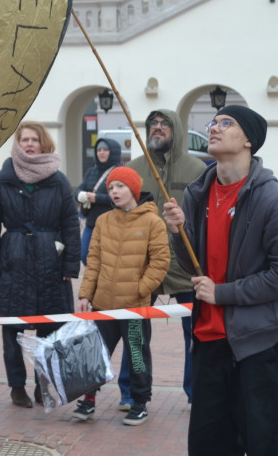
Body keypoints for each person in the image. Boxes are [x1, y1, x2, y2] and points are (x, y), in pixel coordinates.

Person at [162, 105, 278, 455]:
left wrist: (223, 293)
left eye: (227, 123)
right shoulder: (197, 194)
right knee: (208, 445)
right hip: (208, 342)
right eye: (213, 122)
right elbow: (192, 266)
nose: (214, 127)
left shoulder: (273, 199)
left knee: (261, 443)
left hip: (255, 344)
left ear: (249, 140)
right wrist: (178, 233)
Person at [0, 121, 81, 408]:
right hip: (14, 261)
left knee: (50, 330)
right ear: (17, 143)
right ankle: (16, 387)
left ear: (44, 143)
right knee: (12, 329)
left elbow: (71, 225)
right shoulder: (3, 178)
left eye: (34, 139)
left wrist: (70, 265)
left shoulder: (58, 179)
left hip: (51, 262)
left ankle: (42, 385)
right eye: (24, 139)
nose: (29, 144)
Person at [72, 166, 169, 427]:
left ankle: (139, 403)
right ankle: (89, 399)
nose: (114, 192)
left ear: (133, 190)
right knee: (96, 354)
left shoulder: (153, 222)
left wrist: (140, 289)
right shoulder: (103, 221)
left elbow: (160, 262)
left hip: (135, 308)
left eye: (120, 187)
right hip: (103, 304)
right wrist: (85, 294)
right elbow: (93, 262)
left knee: (137, 356)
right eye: (111, 187)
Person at [123, 108, 206, 409]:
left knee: (195, 334)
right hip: (144, 267)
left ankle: (196, 393)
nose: (157, 128)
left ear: (177, 131)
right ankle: (131, 391)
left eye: (164, 124)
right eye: (153, 124)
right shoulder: (133, 169)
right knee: (134, 331)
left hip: (185, 266)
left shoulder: (197, 169)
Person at [76, 137, 122, 265]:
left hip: (112, 225)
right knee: (85, 255)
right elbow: (79, 189)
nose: (101, 152)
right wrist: (80, 195)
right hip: (91, 224)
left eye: (105, 150)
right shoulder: (91, 171)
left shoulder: (120, 172)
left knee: (108, 260)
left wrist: (96, 198)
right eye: (99, 150)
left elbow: (122, 198)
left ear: (113, 152)